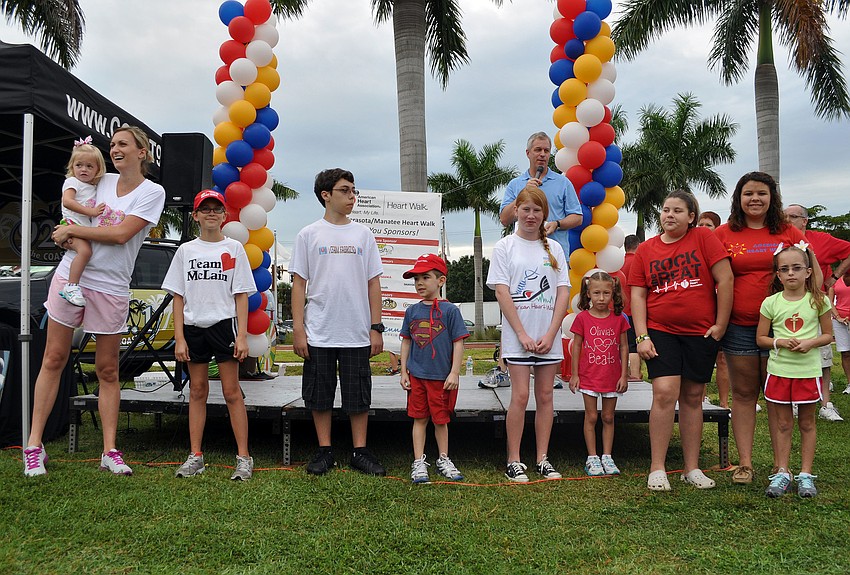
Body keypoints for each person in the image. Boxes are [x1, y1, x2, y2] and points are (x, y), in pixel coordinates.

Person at [24, 125, 165, 477]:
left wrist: (72, 231)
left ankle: (110, 451)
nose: (115, 149)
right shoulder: (97, 179)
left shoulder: (152, 192)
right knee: (54, 358)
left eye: (123, 144)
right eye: (113, 144)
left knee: (107, 370)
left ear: (141, 153)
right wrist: (64, 230)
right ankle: (33, 446)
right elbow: (68, 204)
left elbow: (120, 235)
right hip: (73, 275)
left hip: (112, 287)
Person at [715, 171, 822, 485]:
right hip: (740, 326)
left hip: (786, 330)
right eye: (748, 193)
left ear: (772, 197)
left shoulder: (788, 231)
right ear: (739, 198)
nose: (755, 199)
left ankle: (781, 467)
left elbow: (812, 271)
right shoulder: (723, 233)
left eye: (762, 193)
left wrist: (816, 306)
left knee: (778, 398)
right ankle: (745, 465)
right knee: (745, 395)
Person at [630, 190, 733, 491]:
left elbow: (724, 279)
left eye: (677, 210)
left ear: (691, 217)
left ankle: (692, 468)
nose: (669, 215)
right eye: (665, 210)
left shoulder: (703, 238)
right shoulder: (646, 250)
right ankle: (657, 468)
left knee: (692, 396)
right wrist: (641, 335)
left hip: (700, 332)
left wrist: (720, 325)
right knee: (664, 392)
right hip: (660, 330)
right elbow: (637, 294)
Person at [290, 168, 386, 476]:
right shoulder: (308, 234)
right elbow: (299, 285)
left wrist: (376, 327)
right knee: (319, 393)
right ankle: (324, 451)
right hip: (319, 330)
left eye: (354, 191)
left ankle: (360, 451)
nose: (352, 196)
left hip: (357, 331)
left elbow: (374, 283)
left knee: (358, 395)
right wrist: (299, 330)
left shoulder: (363, 234)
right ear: (326, 195)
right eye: (345, 190)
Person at [162, 190, 256, 481]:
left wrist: (241, 336)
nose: (211, 213)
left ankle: (243, 457)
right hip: (193, 328)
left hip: (223, 325)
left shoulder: (234, 248)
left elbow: (241, 295)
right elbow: (178, 297)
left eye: (217, 209)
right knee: (197, 391)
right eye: (206, 209)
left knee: (231, 392)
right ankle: (195, 456)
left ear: (225, 215)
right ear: (196, 216)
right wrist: (179, 337)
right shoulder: (186, 251)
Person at [487, 185, 569, 482]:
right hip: (518, 337)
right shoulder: (505, 247)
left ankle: (543, 458)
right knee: (520, 396)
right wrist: (521, 334)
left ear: (544, 214)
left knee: (546, 396)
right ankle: (514, 459)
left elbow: (563, 292)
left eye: (537, 210)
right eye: (526, 209)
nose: (531, 215)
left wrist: (551, 332)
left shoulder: (555, 249)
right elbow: (502, 291)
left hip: (548, 337)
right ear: (516, 212)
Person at [756, 245, 833, 497]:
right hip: (779, 372)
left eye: (797, 268)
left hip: (807, 372)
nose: (791, 274)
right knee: (782, 424)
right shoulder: (771, 302)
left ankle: (806, 475)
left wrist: (810, 342)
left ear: (808, 271)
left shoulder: (819, 301)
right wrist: (779, 342)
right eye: (784, 269)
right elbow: (761, 339)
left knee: (808, 423)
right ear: (778, 275)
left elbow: (828, 335)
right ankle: (782, 472)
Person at [398, 254, 469, 484]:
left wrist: (454, 372)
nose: (419, 283)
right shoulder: (412, 311)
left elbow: (459, 341)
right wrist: (403, 371)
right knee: (419, 419)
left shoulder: (450, 311)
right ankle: (419, 462)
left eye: (425, 277)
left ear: (440, 281)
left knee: (440, 420)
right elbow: (406, 341)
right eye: (416, 278)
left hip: (441, 378)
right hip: (417, 376)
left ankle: (443, 458)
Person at [784, 203, 850, 421]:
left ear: (804, 221)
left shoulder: (821, 240)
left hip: (815, 304)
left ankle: (825, 403)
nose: (787, 220)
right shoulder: (779, 239)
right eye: (784, 216)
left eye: (792, 216)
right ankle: (792, 401)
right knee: (788, 352)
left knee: (823, 356)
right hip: (785, 305)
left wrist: (835, 277)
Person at [568, 271, 630, 476]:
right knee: (592, 416)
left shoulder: (619, 318)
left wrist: (623, 375)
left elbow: (623, 347)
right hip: (589, 377)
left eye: (605, 293)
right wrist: (575, 374)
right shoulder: (582, 318)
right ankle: (592, 457)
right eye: (596, 293)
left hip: (612, 377)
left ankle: (607, 456)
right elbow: (576, 347)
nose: (601, 298)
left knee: (608, 417)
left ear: (613, 294)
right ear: (588, 294)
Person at [499, 131, 582, 256]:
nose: (542, 154)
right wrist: (524, 193)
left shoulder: (563, 182)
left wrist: (557, 224)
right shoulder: (515, 184)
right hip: (523, 256)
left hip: (554, 254)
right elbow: (504, 219)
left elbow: (577, 217)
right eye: (538, 150)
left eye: (546, 151)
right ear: (528, 153)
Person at [58, 138, 107, 307]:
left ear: (98, 169)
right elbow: (68, 202)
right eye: (79, 165)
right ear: (72, 167)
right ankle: (71, 286)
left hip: (81, 228)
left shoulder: (95, 187)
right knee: (85, 252)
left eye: (89, 166)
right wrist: (91, 212)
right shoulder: (72, 182)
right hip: (72, 225)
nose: (83, 170)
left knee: (86, 253)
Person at [698, 211, 730, 408]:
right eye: (700, 224)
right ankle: (701, 398)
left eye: (708, 225)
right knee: (701, 358)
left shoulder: (721, 251)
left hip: (722, 311)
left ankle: (725, 403)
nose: (703, 228)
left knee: (723, 359)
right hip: (702, 312)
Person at [621, 234, 642, 381]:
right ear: (638, 245)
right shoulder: (639, 261)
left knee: (622, 344)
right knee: (634, 344)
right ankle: (635, 374)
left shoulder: (618, 262)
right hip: (635, 310)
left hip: (618, 309)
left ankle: (624, 372)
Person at [828, 270, 850, 395]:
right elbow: (829, 301)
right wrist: (837, 317)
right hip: (840, 321)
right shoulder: (835, 280)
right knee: (845, 353)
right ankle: (849, 383)